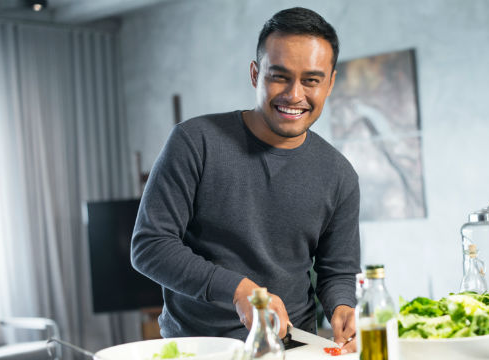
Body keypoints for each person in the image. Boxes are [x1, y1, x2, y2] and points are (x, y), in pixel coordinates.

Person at [131, 6, 360, 354]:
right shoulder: (194, 141)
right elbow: (150, 246)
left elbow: (338, 271)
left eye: (311, 80)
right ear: (255, 74)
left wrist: (343, 306)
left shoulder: (339, 174)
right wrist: (240, 291)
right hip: (200, 348)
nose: (294, 95)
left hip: (293, 347)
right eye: (279, 76)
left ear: (329, 82)